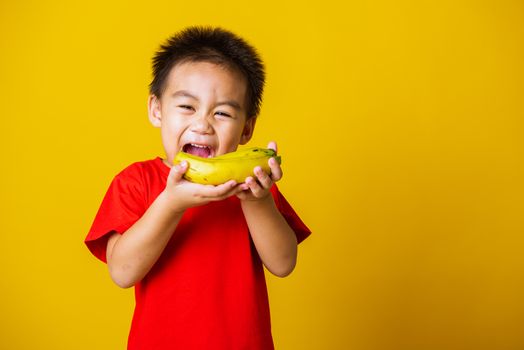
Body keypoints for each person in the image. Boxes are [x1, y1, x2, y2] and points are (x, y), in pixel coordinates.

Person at [84, 26, 311, 349]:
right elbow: (122, 272)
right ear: (156, 109)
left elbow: (283, 263)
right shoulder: (136, 181)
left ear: (247, 128)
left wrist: (258, 202)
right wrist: (171, 204)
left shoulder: (253, 186)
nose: (202, 124)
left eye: (222, 112)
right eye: (187, 107)